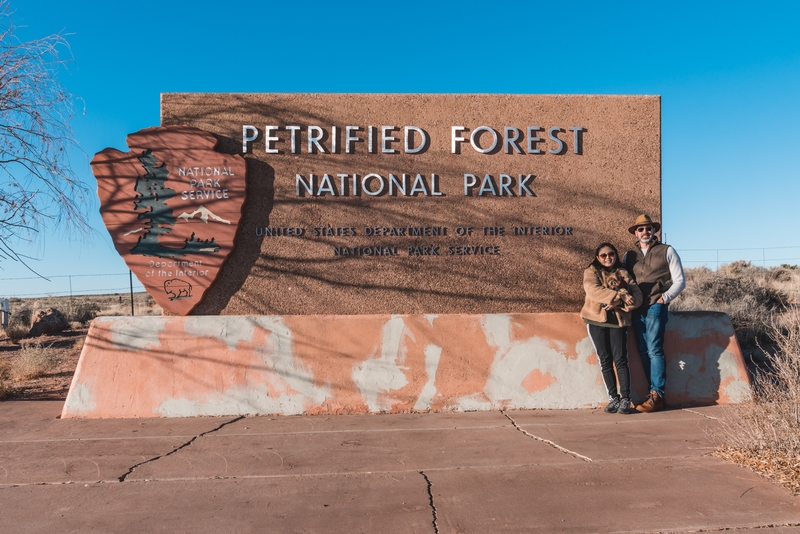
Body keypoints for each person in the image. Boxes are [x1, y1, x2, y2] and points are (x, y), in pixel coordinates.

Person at [622, 214, 686, 413]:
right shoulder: (629, 255)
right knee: (643, 350)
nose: (645, 232)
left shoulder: (667, 250)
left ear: (654, 230)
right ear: (636, 232)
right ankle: (653, 395)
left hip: (656, 305)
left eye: (648, 228)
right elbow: (624, 280)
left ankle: (658, 394)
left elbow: (680, 280)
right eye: (640, 229)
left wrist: (664, 298)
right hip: (637, 307)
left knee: (654, 349)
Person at [581, 242, 643, 414]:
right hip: (596, 322)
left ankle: (625, 399)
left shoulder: (623, 273)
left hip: (618, 322)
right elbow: (593, 290)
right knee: (605, 360)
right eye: (603, 255)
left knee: (621, 360)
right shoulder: (591, 272)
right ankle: (613, 398)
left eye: (611, 254)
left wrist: (620, 303)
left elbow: (637, 297)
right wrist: (619, 296)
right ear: (597, 258)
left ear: (615, 255)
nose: (608, 258)